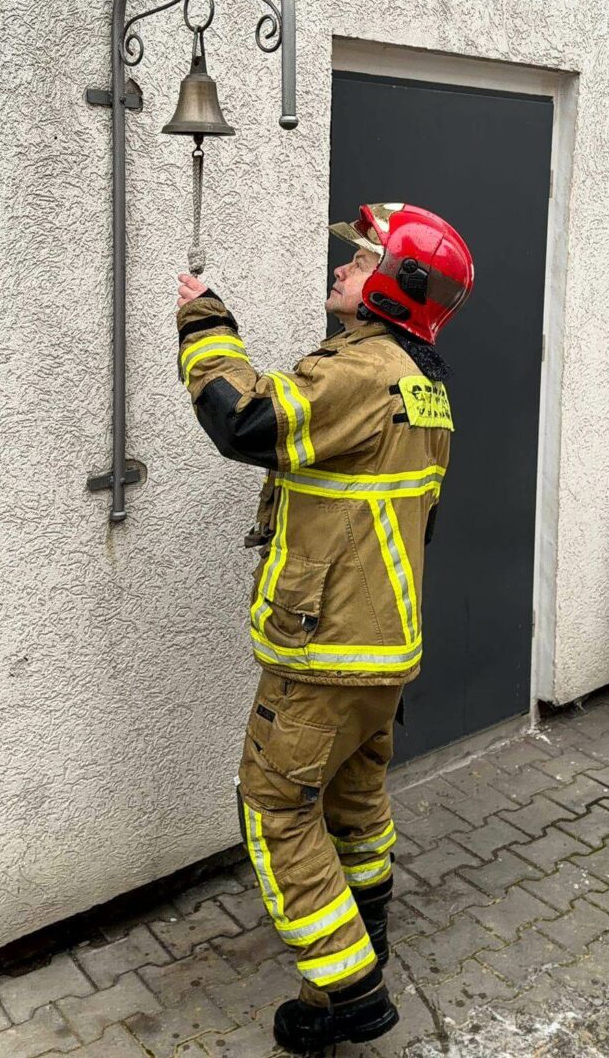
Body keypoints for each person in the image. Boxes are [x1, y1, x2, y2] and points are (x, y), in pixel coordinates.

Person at [175, 202, 474, 1053]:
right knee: (354, 801)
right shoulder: (426, 387)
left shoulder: (363, 374)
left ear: (396, 287)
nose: (344, 266)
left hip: (324, 656)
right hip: (384, 655)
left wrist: (205, 320)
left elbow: (244, 418)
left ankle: (347, 991)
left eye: (363, 258)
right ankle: (368, 930)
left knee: (274, 810)